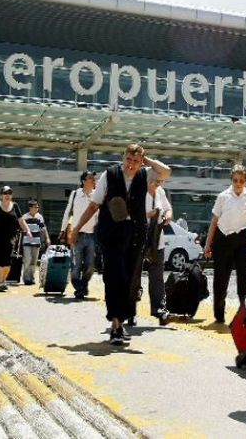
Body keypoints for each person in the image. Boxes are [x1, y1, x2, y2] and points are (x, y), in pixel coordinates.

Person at [70, 144, 171, 345]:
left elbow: (166, 172)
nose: (131, 165)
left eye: (136, 161)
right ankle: (115, 325)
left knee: (128, 280)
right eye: (129, 160)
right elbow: (94, 205)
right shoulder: (110, 175)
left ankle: (121, 322)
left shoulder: (145, 174)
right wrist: (76, 228)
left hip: (135, 236)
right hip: (112, 235)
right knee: (114, 277)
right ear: (123, 158)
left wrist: (146, 160)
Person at [204, 164, 246, 323]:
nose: (238, 183)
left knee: (244, 281)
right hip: (222, 240)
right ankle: (219, 314)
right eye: (235, 180)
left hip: (243, 241)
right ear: (231, 180)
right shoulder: (223, 196)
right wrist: (207, 245)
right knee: (221, 280)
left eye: (241, 180)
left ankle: (244, 314)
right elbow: (214, 222)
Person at [129, 169, 172, 326]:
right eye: (156, 179)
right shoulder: (136, 191)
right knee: (134, 277)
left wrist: (167, 215)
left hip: (156, 240)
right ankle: (130, 312)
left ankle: (160, 310)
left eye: (160, 180)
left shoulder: (160, 192)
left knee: (157, 277)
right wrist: (149, 214)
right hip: (138, 239)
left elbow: (168, 208)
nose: (159, 182)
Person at [0, 186, 32, 292]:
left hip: (10, 240)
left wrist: (27, 230)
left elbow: (21, 221)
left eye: (9, 193)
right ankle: (0, 283)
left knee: (7, 264)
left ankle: (3, 281)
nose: (7, 195)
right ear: (1, 195)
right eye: (5, 193)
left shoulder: (15, 206)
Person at [61, 170, 99, 299]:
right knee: (75, 264)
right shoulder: (75, 194)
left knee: (90, 265)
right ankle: (79, 288)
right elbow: (67, 212)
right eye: (91, 178)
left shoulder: (97, 196)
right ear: (83, 181)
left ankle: (83, 284)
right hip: (76, 235)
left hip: (92, 235)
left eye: (94, 179)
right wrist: (63, 230)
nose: (94, 181)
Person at [21, 199, 50, 285]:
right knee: (28, 259)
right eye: (35, 207)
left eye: (37, 207)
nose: (37, 208)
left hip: (36, 242)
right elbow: (21, 227)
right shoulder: (24, 217)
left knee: (34, 261)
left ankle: (31, 278)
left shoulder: (39, 217)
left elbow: (43, 228)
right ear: (30, 208)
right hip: (27, 242)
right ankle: (26, 278)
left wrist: (47, 238)